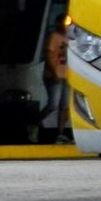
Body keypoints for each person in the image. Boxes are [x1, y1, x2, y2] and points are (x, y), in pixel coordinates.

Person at [39, 15, 70, 143]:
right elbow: (49, 55)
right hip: (54, 75)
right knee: (53, 105)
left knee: (65, 106)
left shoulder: (69, 38)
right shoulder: (54, 37)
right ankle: (35, 123)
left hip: (67, 75)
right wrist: (54, 72)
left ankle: (60, 133)